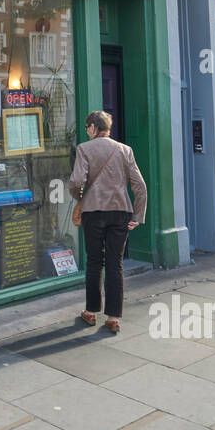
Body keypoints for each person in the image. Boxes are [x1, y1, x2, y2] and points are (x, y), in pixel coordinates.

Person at [68, 109, 146, 335]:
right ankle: (113, 318)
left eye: (87, 127)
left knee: (94, 261)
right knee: (115, 263)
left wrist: (79, 196)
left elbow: (76, 182)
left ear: (93, 127)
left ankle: (91, 312)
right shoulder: (125, 150)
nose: (87, 131)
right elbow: (139, 186)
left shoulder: (84, 149)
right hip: (121, 212)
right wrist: (138, 216)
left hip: (93, 212)